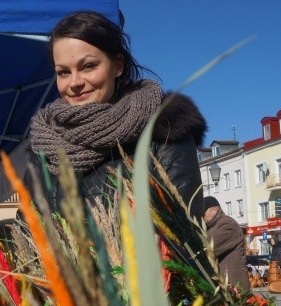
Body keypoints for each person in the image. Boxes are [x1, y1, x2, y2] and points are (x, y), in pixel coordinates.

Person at [26, 10, 207, 218]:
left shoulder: (164, 129)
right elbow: (30, 228)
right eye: (63, 72)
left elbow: (186, 235)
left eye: (88, 66)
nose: (74, 82)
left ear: (117, 66)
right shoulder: (44, 144)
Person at [203, 196, 250, 291]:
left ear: (214, 210)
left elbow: (206, 246)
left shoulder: (227, 224)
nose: (202, 216)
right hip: (227, 287)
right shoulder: (215, 226)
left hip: (235, 286)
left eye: (204, 212)